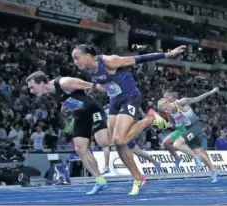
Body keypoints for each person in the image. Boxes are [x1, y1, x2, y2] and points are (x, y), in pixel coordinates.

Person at [71, 44, 182, 195]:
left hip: (130, 97)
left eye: (76, 58)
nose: (75, 62)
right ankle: (138, 178)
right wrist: (94, 87)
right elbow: (104, 82)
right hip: (115, 101)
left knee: (119, 139)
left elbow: (140, 58)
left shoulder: (109, 61)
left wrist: (167, 55)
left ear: (89, 56)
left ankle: (150, 118)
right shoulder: (90, 70)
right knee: (117, 143)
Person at [25, 71, 109, 194]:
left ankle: (120, 134)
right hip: (80, 116)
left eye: (32, 87)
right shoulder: (49, 93)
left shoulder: (64, 82)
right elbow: (68, 101)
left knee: (103, 142)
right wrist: (65, 106)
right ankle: (100, 181)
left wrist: (116, 94)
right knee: (80, 149)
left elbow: (92, 85)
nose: (31, 91)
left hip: (94, 111)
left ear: (42, 83)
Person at [157, 87, 220, 183]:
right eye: (164, 111)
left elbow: (197, 98)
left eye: (165, 109)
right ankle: (213, 170)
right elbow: (172, 124)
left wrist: (211, 91)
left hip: (194, 127)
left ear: (167, 102)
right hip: (182, 130)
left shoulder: (181, 102)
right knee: (166, 142)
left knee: (178, 144)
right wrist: (162, 125)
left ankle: (196, 158)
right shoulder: (169, 113)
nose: (166, 111)